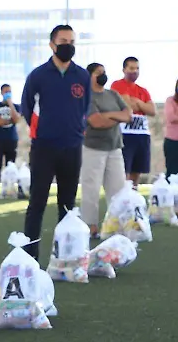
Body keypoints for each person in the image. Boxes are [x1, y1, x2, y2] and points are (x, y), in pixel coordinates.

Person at [20, 24, 91, 259]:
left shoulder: (82, 76)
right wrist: (42, 130)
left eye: (71, 42)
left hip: (72, 148)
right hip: (43, 148)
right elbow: (27, 107)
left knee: (68, 205)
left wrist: (76, 130)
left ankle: (66, 257)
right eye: (63, 41)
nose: (67, 46)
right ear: (52, 45)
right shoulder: (38, 76)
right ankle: (30, 258)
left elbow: (85, 108)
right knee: (37, 203)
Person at [80, 62, 130, 238]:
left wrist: (108, 115)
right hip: (93, 148)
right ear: (90, 76)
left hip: (115, 147)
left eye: (104, 72)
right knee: (91, 189)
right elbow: (97, 122)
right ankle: (90, 226)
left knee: (118, 189)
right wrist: (117, 116)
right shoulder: (87, 97)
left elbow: (128, 115)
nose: (103, 75)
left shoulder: (113, 94)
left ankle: (116, 225)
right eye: (98, 73)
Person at [110, 56, 156, 187]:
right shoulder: (117, 85)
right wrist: (140, 105)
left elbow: (152, 110)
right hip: (125, 134)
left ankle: (133, 198)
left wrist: (139, 102)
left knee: (137, 171)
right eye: (131, 68)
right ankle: (122, 198)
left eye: (137, 68)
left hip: (142, 135)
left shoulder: (143, 90)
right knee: (123, 170)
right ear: (124, 69)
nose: (134, 71)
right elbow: (125, 104)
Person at [0, 83, 23, 198]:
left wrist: (10, 104)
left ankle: (11, 190)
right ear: (1, 93)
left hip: (11, 140)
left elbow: (17, 119)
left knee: (11, 166)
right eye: (5, 92)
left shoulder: (16, 107)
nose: (7, 94)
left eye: (9, 91)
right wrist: (10, 120)